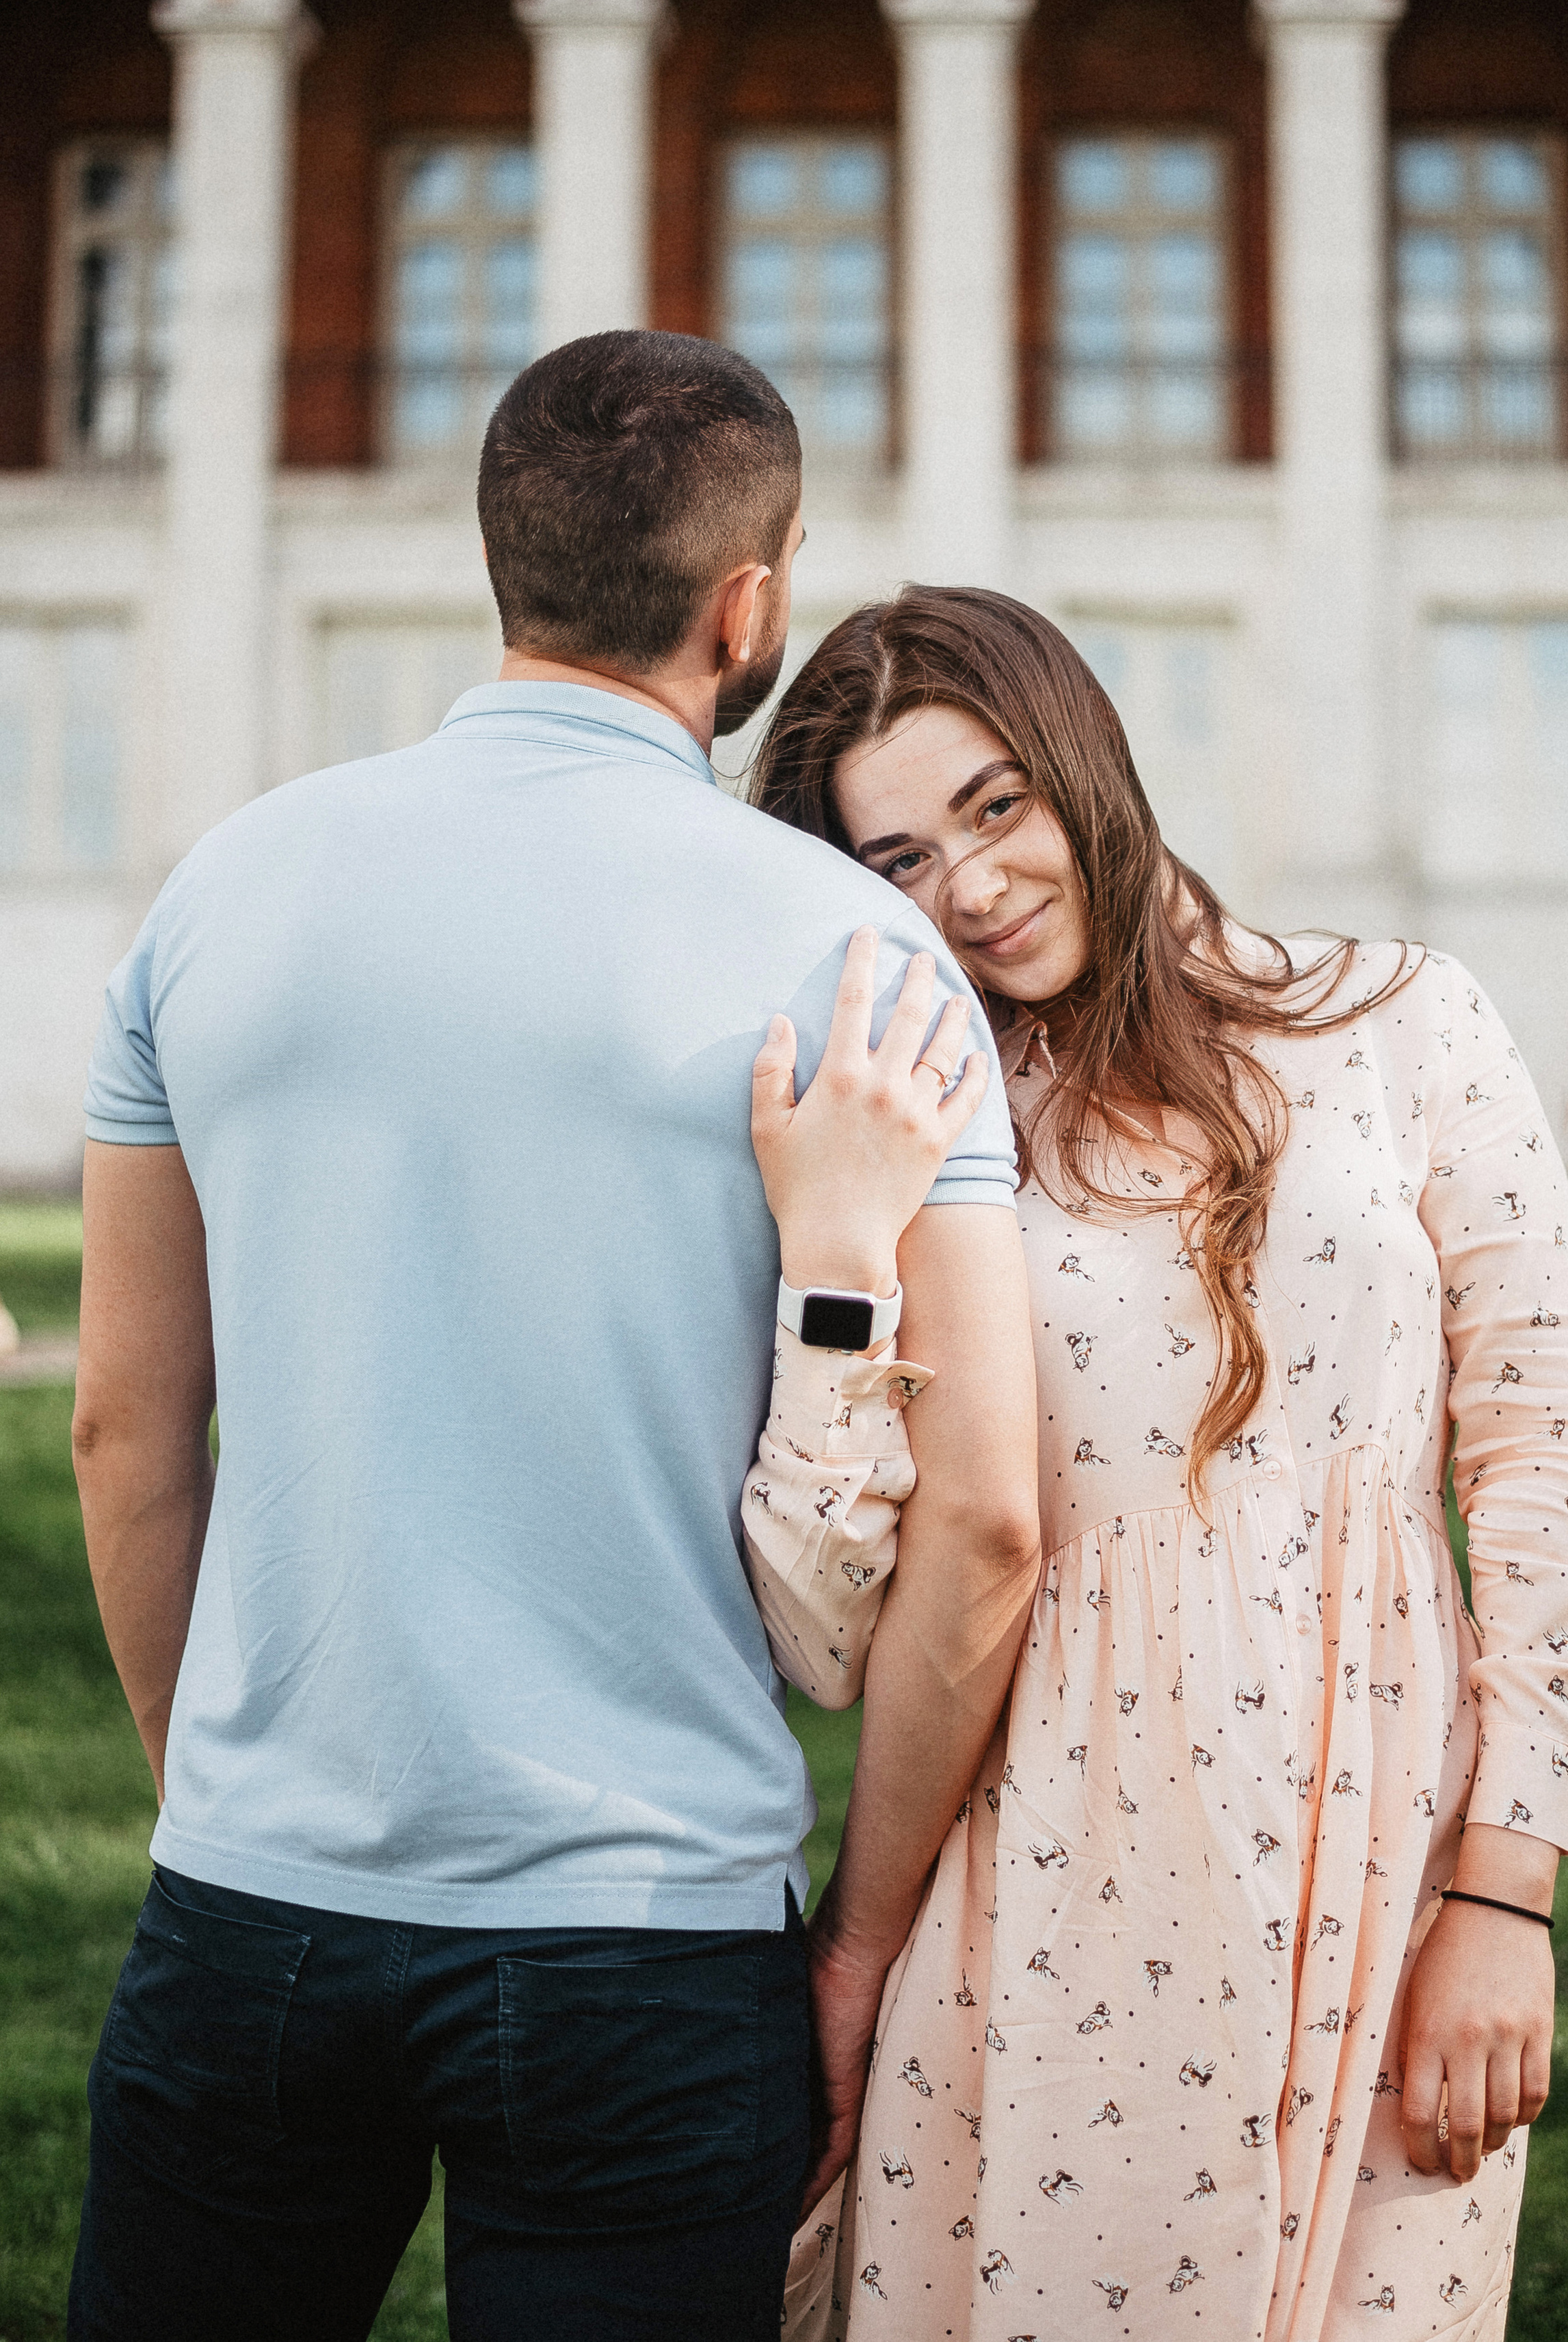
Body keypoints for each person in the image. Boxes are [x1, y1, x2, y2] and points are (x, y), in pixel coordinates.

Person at [64, 340, 1039, 2342]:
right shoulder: (855, 949)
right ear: (746, 603)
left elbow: (123, 1430)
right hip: (653, 1944)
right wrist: (856, 1945)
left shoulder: (219, 893)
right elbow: (988, 1522)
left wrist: (219, 1804)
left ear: (503, 554)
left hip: (257, 1903)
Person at [740, 585, 1568, 2341]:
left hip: (1386, 1866)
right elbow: (824, 1632)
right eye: (900, 858)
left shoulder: (1403, 1024)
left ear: (1085, 762)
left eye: (995, 806)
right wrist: (834, 1250)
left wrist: (1504, 1886)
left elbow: (1541, 1461)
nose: (969, 886)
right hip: (1047, 1889)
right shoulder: (928, 1125)